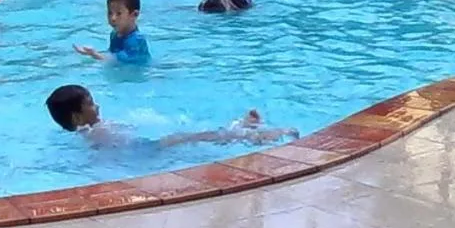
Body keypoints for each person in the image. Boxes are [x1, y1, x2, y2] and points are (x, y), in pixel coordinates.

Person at [44, 85, 298, 148]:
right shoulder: (94, 134)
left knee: (206, 136)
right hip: (150, 148)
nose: (97, 106)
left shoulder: (89, 133)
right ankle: (258, 135)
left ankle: (241, 129)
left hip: (147, 145)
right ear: (77, 118)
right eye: (90, 104)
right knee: (203, 137)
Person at [73, 0, 150, 64]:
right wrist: (91, 54)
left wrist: (95, 54)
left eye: (118, 13)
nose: (113, 18)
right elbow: (111, 55)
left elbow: (116, 60)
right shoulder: (114, 34)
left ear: (134, 15)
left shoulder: (136, 41)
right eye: (110, 13)